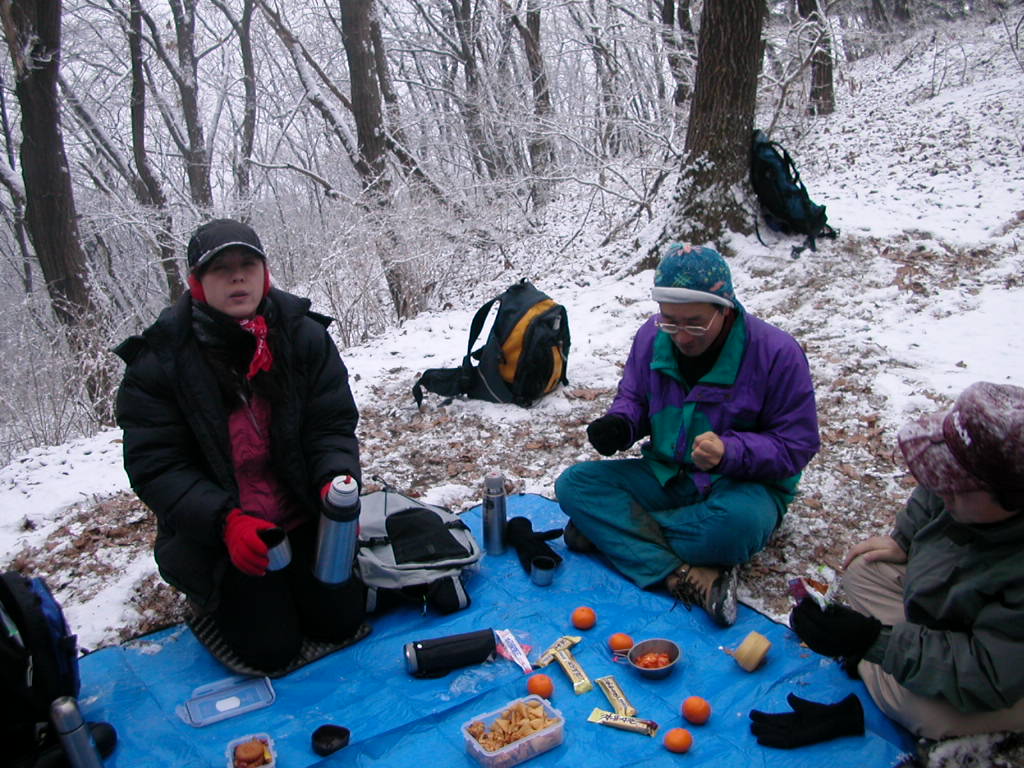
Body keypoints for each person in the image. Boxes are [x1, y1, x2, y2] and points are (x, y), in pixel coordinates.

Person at [114, 218, 366, 673]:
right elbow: (157, 467)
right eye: (221, 268)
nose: (237, 278)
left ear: (264, 273)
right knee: (271, 649)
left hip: (300, 513)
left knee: (340, 621)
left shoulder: (302, 336)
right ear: (196, 282)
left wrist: (334, 483)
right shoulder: (159, 363)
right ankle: (220, 596)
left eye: (248, 265)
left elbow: (330, 425)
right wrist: (224, 522)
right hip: (223, 533)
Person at [555, 244, 820, 626]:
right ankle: (680, 572)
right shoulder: (651, 336)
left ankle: (607, 533)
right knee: (574, 485)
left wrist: (730, 451)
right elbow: (634, 398)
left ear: (725, 308)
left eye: (695, 323)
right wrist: (622, 424)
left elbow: (797, 444)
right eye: (670, 321)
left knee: (734, 528)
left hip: (740, 486)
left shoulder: (776, 352)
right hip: (667, 473)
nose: (681, 336)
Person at [790, 381, 1024, 741]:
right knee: (863, 569)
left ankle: (898, 668)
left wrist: (872, 642)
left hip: (1001, 671)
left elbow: (988, 673)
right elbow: (931, 490)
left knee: (928, 714)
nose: (941, 488)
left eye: (956, 485)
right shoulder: (980, 493)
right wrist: (904, 538)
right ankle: (905, 659)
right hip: (959, 618)